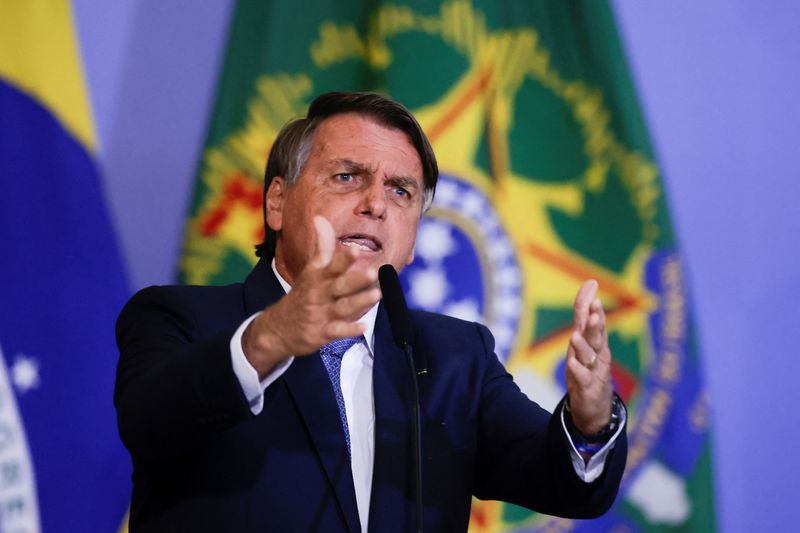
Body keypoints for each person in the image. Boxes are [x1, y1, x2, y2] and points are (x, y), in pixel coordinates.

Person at [115, 91, 627, 532]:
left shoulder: (454, 358)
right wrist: (272, 336)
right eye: (347, 177)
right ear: (276, 202)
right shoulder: (177, 317)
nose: (376, 204)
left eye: (400, 191)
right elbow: (149, 421)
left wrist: (590, 420)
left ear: (412, 241)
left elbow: (566, 486)